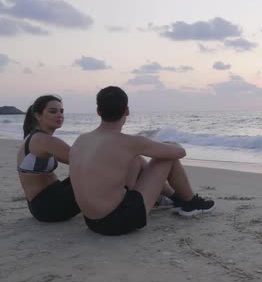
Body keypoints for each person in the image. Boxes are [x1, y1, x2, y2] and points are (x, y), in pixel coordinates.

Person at [69, 86, 214, 236]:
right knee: (167, 158)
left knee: (135, 159)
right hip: (117, 222)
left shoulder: (82, 139)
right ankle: (191, 203)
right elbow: (180, 152)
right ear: (127, 111)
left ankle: (176, 199)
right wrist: (171, 143)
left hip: (92, 222)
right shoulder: (129, 142)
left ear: (98, 111)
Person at [16, 95, 81, 222]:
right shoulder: (43, 140)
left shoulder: (34, 136)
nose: (59, 115)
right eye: (53, 111)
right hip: (48, 206)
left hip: (43, 203)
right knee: (101, 174)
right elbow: (83, 161)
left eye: (61, 111)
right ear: (38, 115)